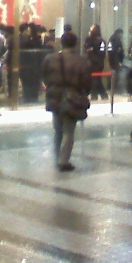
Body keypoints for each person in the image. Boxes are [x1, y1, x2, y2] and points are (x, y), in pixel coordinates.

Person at [42, 32, 91, 171]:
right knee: (69, 131)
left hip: (55, 96)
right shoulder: (82, 61)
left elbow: (45, 77)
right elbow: (87, 83)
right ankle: (63, 161)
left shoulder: (50, 59)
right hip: (72, 97)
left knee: (58, 130)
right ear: (75, 44)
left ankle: (58, 157)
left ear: (61, 43)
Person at [84, 24, 108, 100]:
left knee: (95, 79)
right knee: (97, 79)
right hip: (99, 62)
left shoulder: (91, 40)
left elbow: (88, 49)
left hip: (93, 62)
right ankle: (103, 95)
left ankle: (95, 95)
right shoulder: (101, 40)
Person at [107, 28, 125, 95]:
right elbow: (117, 51)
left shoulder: (112, 39)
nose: (121, 35)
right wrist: (119, 61)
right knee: (116, 74)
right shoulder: (116, 40)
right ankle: (115, 89)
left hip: (113, 60)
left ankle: (112, 88)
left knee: (114, 74)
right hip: (115, 60)